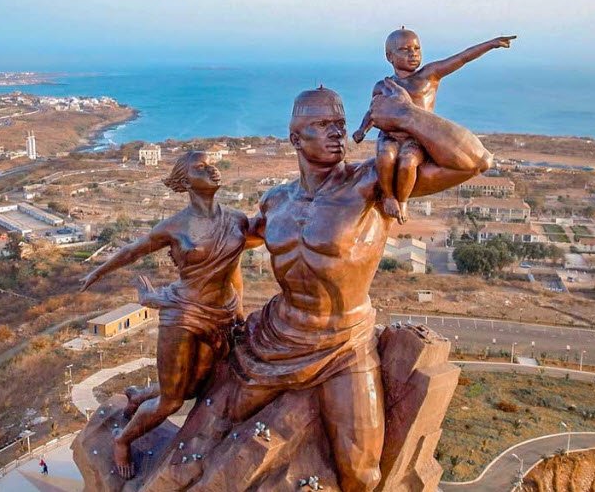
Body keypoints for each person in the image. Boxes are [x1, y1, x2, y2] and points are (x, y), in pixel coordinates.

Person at [224, 84, 491, 492]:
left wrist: (404, 115)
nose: (337, 133)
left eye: (340, 125)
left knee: (361, 473)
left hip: (343, 345)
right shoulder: (275, 201)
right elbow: (236, 241)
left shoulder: (370, 185)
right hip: (274, 339)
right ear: (296, 138)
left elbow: (474, 161)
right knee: (225, 427)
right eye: (323, 125)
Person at [81, 151, 248, 479]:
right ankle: (122, 439)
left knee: (197, 387)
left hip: (222, 314)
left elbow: (235, 267)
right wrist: (97, 272)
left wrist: (238, 310)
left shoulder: (238, 219)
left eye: (212, 163)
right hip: (182, 315)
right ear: (186, 182)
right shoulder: (175, 225)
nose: (212, 169)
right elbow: (133, 250)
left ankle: (140, 396)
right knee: (173, 401)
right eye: (201, 167)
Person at [352, 28, 515, 223]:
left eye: (417, 48)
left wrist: (490, 44)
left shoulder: (429, 75)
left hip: (417, 138)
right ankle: (388, 196)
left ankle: (402, 201)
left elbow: (461, 59)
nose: (413, 53)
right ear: (390, 56)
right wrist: (362, 129)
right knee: (385, 156)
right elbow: (374, 110)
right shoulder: (383, 85)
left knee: (408, 161)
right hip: (390, 135)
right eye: (404, 49)